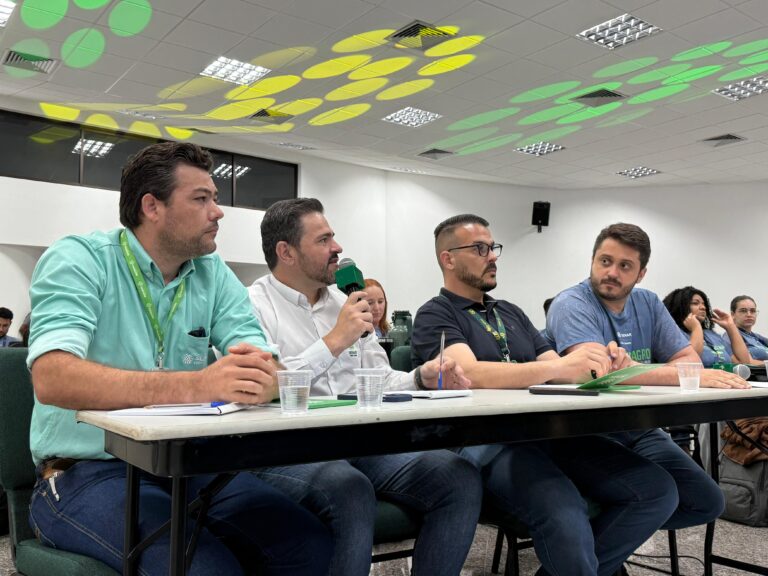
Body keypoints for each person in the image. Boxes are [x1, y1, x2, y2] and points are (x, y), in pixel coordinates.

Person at [26, 143, 332, 576]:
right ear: (152, 206)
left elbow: (270, 367)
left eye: (215, 198)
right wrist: (198, 384)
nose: (218, 212)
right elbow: (53, 378)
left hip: (186, 464)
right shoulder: (80, 259)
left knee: (307, 544)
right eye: (201, 198)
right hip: (87, 471)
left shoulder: (212, 273)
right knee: (204, 568)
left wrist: (265, 377)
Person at [411, 214, 679, 576]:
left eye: (493, 248)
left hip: (547, 435)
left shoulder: (510, 312)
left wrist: (601, 362)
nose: (493, 256)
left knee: (657, 490)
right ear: (448, 258)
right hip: (485, 443)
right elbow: (469, 374)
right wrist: (558, 368)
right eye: (480, 249)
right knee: (565, 515)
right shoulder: (435, 313)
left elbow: (562, 369)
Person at [248, 198, 482, 576]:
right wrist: (334, 341)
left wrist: (420, 377)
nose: (337, 248)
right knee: (349, 489)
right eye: (324, 240)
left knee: (458, 475)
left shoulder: (343, 302)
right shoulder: (253, 305)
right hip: (285, 449)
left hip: (356, 443)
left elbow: (380, 377)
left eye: (333, 237)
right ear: (286, 252)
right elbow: (263, 386)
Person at [546, 222, 748, 535]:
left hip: (639, 428)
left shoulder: (648, 303)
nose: (612, 272)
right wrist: (646, 372)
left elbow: (690, 361)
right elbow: (597, 372)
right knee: (655, 496)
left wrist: (634, 370)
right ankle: (582, 551)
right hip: (586, 433)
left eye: (625, 266)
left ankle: (592, 539)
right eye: (605, 261)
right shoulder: (571, 303)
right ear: (592, 260)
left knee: (706, 502)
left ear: (641, 273)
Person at [663, 286, 754, 367]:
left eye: (703, 304)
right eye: (695, 303)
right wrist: (696, 328)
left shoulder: (711, 335)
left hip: (724, 380)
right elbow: (690, 363)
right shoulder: (674, 333)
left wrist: (730, 327)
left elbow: (744, 362)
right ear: (679, 306)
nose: (703, 307)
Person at [728, 295, 768, 360]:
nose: (749, 314)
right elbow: (743, 361)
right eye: (743, 311)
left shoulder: (757, 337)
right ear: (733, 314)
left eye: (753, 311)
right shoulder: (730, 337)